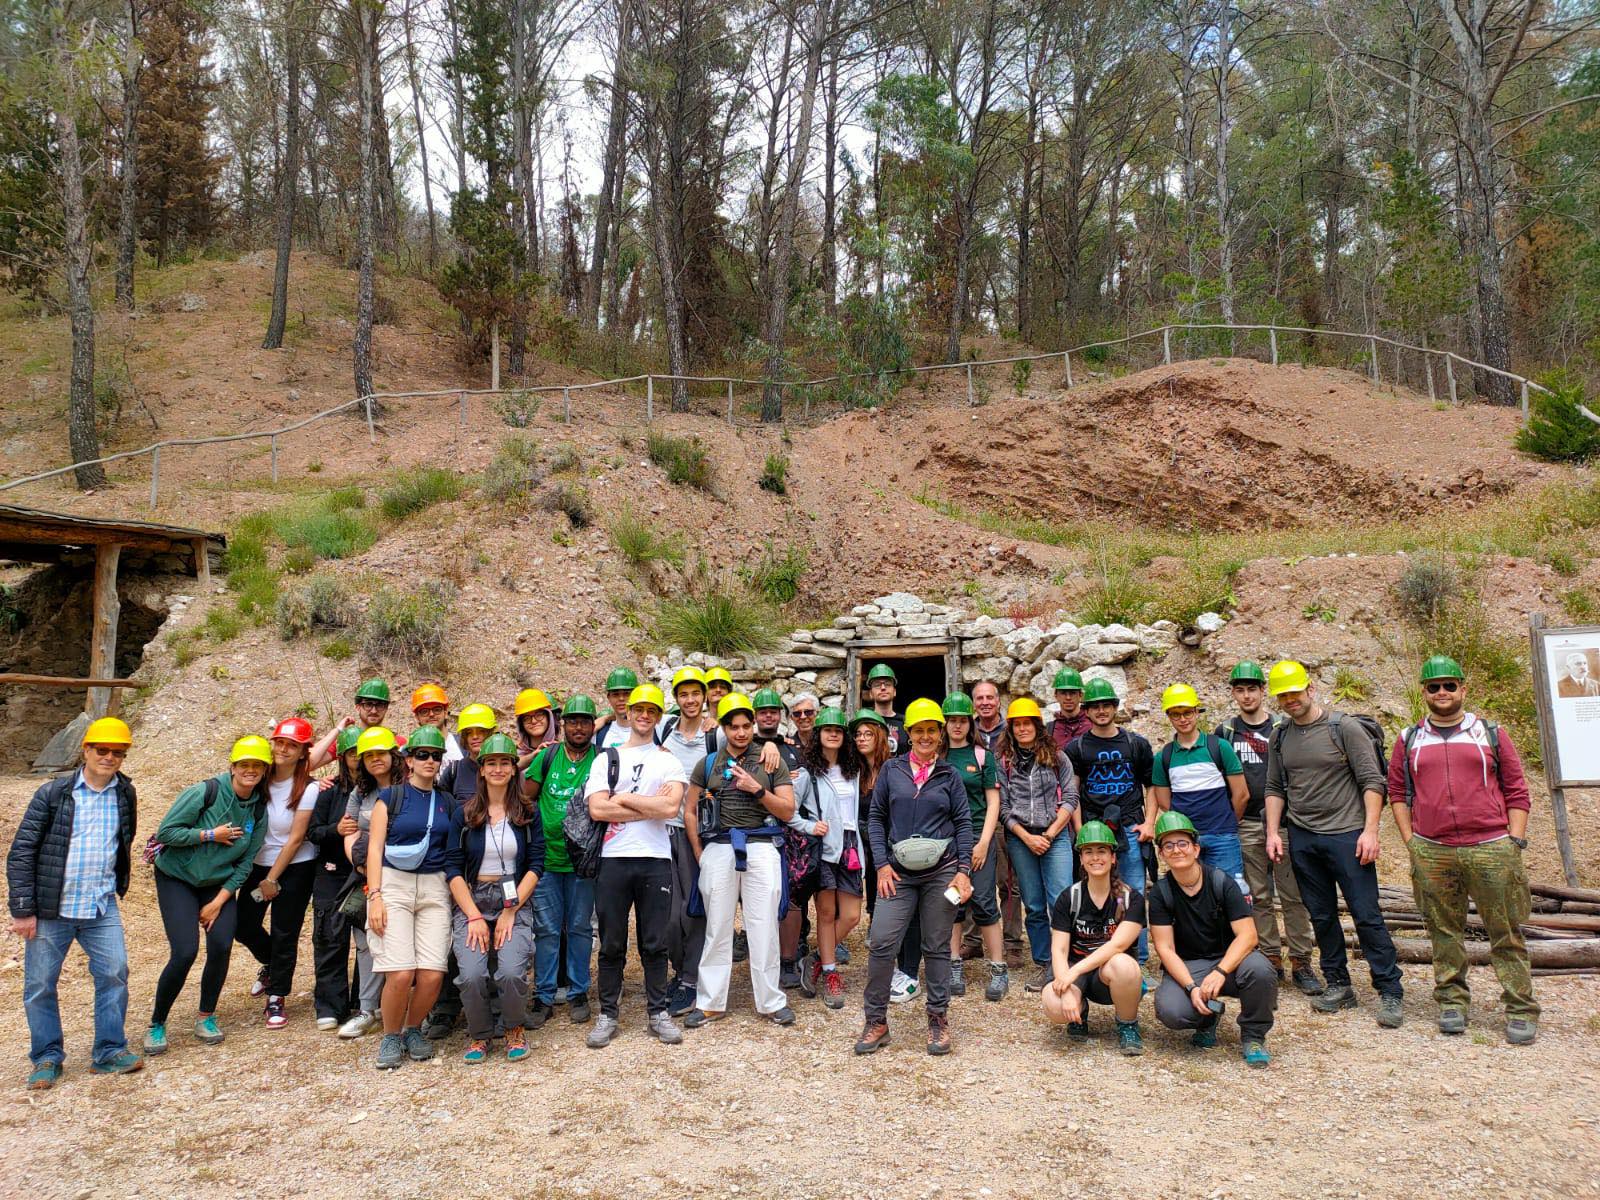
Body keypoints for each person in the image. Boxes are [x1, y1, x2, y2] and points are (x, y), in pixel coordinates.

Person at [1387, 655, 1538, 1044]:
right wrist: (1411, 842)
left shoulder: (1489, 733)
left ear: (1463, 689)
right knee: (1443, 931)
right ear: (1424, 692)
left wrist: (1515, 840)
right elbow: (1397, 792)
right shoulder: (1409, 739)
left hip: (1491, 847)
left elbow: (1517, 790)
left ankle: (1520, 1008)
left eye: (1449, 685)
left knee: (1505, 931)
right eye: (1434, 686)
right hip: (1433, 849)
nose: (1442, 692)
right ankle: (1452, 1002)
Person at [1263, 659, 1403, 1027]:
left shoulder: (1345, 728)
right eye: (1283, 696)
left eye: (1295, 692)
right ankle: (1338, 983)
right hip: (1303, 836)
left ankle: (1389, 989)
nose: (1290, 700)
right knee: (1321, 915)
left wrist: (1370, 831)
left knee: (1366, 914)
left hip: (1347, 835)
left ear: (1310, 689)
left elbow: (1373, 781)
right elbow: (1275, 787)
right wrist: (1273, 832)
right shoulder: (1280, 736)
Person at [9, 717, 142, 1089]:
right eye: (102, 750)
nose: (109, 757)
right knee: (40, 985)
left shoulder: (125, 793)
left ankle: (109, 1051)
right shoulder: (53, 794)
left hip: (100, 905)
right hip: (52, 908)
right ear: (86, 750)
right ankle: (46, 1058)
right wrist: (23, 910)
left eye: (118, 752)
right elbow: (22, 852)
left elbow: (123, 842)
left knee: (114, 973)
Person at [857, 699, 973, 1056]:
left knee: (936, 946)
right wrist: (881, 865)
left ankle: (938, 1018)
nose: (925, 736)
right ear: (908, 733)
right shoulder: (891, 771)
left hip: (941, 871)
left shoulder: (950, 775)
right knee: (882, 942)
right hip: (898, 872)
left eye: (931, 730)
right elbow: (876, 819)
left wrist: (963, 871)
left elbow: (963, 823)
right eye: (918, 730)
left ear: (940, 734)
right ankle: (876, 1020)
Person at [144, 736, 271, 1060]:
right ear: (233, 767)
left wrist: (219, 901)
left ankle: (206, 1017)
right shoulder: (205, 792)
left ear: (264, 770)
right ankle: (157, 1023)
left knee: (221, 944)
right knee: (185, 951)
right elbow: (167, 832)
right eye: (244, 764)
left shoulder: (258, 808)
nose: (250, 771)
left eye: (257, 766)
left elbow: (246, 862)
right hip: (177, 877)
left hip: (217, 884)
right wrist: (210, 835)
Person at [683, 692, 799, 1029]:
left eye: (746, 726)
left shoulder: (770, 760)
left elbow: (788, 810)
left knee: (763, 925)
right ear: (723, 727)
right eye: (734, 727)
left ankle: (771, 1001)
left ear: (753, 726)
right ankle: (710, 1002)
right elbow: (690, 810)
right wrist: (699, 852)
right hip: (719, 845)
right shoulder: (708, 764)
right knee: (717, 926)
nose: (741, 732)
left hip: (761, 845)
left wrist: (757, 789)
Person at [583, 683, 689, 1048]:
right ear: (628, 713)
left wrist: (624, 797)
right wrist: (647, 804)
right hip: (613, 859)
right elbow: (598, 809)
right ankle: (608, 1014)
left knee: (655, 941)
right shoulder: (606, 758)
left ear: (658, 717)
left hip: (655, 859)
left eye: (651, 711)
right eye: (638, 709)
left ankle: (657, 1012)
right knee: (611, 942)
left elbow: (670, 808)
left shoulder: (668, 761)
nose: (644, 716)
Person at [1215, 661, 1319, 995]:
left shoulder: (1282, 728)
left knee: (1293, 894)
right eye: (1240, 690)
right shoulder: (1225, 732)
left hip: (1285, 823)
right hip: (1246, 823)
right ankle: (1270, 957)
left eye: (1252, 689)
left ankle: (1301, 960)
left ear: (1263, 691)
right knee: (1257, 894)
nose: (1247, 696)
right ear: (1233, 693)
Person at [1149, 811, 1277, 1067]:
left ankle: (1253, 1035)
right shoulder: (1161, 893)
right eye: (1169, 846)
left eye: (1183, 843)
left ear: (1196, 849)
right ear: (1161, 854)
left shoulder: (1221, 882)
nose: (1176, 850)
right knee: (1172, 1011)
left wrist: (1220, 971)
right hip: (1190, 965)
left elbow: (1248, 935)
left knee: (1261, 970)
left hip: (1229, 961)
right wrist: (1191, 987)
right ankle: (1207, 1017)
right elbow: (1165, 948)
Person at [445, 733, 544, 1063]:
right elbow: (453, 868)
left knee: (512, 970)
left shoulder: (527, 812)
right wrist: (473, 916)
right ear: (482, 769)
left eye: (505, 762)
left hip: (513, 898)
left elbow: (536, 864)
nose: (498, 769)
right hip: (473, 898)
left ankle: (514, 1027)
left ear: (514, 768)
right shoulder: (464, 814)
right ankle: (480, 1033)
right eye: (491, 763)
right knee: (472, 973)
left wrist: (510, 911)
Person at [365, 725, 458, 1069]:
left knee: (432, 973)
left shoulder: (447, 801)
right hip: (394, 884)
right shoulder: (391, 797)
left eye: (436, 755)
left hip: (435, 886)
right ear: (408, 760)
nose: (429, 761)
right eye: (422, 755)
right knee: (401, 973)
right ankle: (391, 1035)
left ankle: (413, 1028)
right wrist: (375, 895)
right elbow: (374, 848)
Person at [235, 716, 319, 1030]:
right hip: (259, 865)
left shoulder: (308, 788)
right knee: (243, 925)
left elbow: (296, 838)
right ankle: (272, 964)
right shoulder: (259, 778)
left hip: (295, 868)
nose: (283, 749)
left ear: (302, 752)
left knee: (285, 931)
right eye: (280, 742)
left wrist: (273, 879)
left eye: (292, 745)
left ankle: (277, 995)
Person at [1062, 678, 1154, 962]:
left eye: (1106, 705)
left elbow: (1151, 786)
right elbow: (1073, 791)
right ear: (1086, 711)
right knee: (1096, 893)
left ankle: (1138, 959)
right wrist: (1079, 829)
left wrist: (1150, 822)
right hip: (1094, 830)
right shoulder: (1077, 749)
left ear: (1115, 707)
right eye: (1095, 706)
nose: (1101, 711)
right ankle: (1098, 953)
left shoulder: (1136, 744)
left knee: (1133, 892)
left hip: (1130, 825)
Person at [525, 695, 601, 1026]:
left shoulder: (602, 760)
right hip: (547, 859)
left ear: (593, 725)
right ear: (563, 724)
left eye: (585, 721)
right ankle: (543, 995)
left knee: (581, 927)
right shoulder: (548, 757)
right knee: (547, 929)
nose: (579, 727)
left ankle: (578, 991)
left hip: (584, 861)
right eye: (573, 721)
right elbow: (525, 796)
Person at [997, 698, 1080, 993]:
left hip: (1055, 836)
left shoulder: (1058, 757)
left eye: (1027, 723)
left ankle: (1067, 960)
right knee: (1033, 904)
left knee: (1060, 900)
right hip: (1021, 839)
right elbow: (1003, 808)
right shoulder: (1004, 762)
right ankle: (1045, 962)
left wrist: (1050, 834)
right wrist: (1027, 837)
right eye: (1017, 724)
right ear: (1010, 728)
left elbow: (1070, 797)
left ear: (1037, 725)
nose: (1022, 729)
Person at [1042, 821, 1146, 1055]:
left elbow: (1118, 944)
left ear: (1113, 857)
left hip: (1107, 975)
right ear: (1081, 859)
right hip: (1073, 968)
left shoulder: (1130, 899)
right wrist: (1066, 989)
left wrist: (1074, 973)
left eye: (1102, 851)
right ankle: (1079, 1011)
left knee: (1124, 965)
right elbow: (1059, 950)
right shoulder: (1070, 897)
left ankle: (1128, 1024)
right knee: (1054, 1005)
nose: (1095, 857)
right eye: (1088, 852)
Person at [654, 667, 718, 1016]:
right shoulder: (663, 730)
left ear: (705, 696)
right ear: (676, 698)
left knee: (693, 908)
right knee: (666, 912)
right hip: (662, 830)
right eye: (684, 694)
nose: (690, 700)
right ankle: (680, 972)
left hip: (698, 832)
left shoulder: (715, 735)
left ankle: (691, 979)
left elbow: (746, 748)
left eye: (696, 693)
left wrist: (770, 745)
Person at [335, 725, 403, 1038]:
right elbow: (349, 831)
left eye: (381, 753)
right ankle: (367, 1010)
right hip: (367, 873)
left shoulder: (410, 787)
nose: (376, 759)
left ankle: (410, 1008)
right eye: (369, 755)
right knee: (365, 941)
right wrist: (361, 864)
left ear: (394, 755)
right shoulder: (360, 792)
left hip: (405, 873)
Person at [940, 692, 1007, 1001]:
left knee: (983, 901)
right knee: (953, 901)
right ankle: (953, 964)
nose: (957, 726)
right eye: (951, 720)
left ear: (971, 723)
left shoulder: (982, 756)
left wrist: (983, 843)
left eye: (962, 720)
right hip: (947, 839)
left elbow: (993, 802)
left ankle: (998, 968)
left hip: (979, 836)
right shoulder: (937, 756)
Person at [1148, 683, 1249, 887]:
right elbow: (1165, 803)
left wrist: (1228, 822)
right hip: (1185, 841)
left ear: (1196, 712)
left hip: (1223, 838)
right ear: (1169, 716)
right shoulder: (1163, 757)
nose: (1183, 719)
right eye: (1176, 714)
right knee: (1191, 893)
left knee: (1230, 891)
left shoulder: (1219, 747)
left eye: (1187, 712)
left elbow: (1241, 794)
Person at [796, 707, 863, 1008]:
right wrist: (809, 826)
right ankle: (830, 972)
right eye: (828, 729)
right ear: (818, 735)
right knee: (825, 913)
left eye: (838, 730)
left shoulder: (854, 770)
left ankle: (816, 958)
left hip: (851, 845)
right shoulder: (807, 774)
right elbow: (789, 811)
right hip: (824, 846)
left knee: (851, 915)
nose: (833, 734)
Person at [309, 727, 363, 1031]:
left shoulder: (380, 791)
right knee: (330, 937)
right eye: (353, 753)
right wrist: (335, 830)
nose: (358, 759)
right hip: (332, 872)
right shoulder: (328, 792)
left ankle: (362, 1001)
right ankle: (330, 1005)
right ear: (342, 757)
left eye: (362, 753)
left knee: (369, 940)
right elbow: (313, 832)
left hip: (365, 872)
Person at [308, 678, 393, 770]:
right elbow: (307, 763)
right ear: (358, 707)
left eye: (380, 705)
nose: (374, 711)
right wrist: (338, 730)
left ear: (386, 708)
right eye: (368, 704)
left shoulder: (395, 741)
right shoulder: (347, 740)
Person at [410, 683, 464, 766]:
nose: (431, 714)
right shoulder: (408, 750)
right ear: (417, 717)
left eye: (437, 709)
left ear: (445, 713)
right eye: (424, 711)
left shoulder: (463, 745)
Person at [512, 687, 557, 772]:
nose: (533, 721)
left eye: (539, 715)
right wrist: (533, 756)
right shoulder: (513, 754)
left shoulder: (562, 750)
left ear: (549, 717)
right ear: (521, 724)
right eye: (527, 718)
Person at [863, 663, 906, 752]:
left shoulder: (905, 722)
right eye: (877, 685)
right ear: (871, 693)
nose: (883, 688)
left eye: (887, 684)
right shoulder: (864, 722)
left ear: (894, 692)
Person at [596, 666, 641, 749]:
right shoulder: (600, 733)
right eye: (615, 694)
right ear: (609, 698)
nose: (621, 698)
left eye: (626, 694)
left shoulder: (652, 729)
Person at [1048, 668, 1091, 752]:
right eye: (1063, 693)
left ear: (1080, 695)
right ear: (1056, 696)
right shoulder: (1049, 730)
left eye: (1072, 693)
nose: (1068, 697)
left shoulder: (1093, 724)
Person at [971, 681, 1005, 751]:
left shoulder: (1009, 730)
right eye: (980, 698)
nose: (985, 703)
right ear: (974, 704)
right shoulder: (969, 732)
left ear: (998, 702)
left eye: (989, 697)